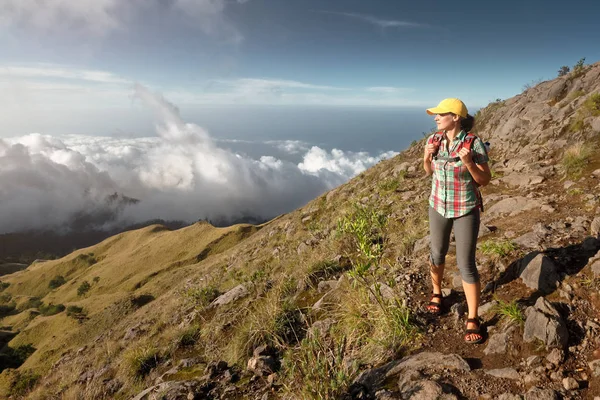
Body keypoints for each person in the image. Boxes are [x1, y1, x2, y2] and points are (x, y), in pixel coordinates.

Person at [422, 98, 491, 344]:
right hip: (438, 205)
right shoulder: (433, 141)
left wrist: (469, 163)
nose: (435, 117)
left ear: (456, 117)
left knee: (466, 263)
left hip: (465, 208)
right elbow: (429, 172)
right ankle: (437, 293)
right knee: (437, 253)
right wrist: (427, 158)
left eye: (440, 114)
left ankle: (473, 317)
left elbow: (485, 179)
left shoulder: (474, 143)